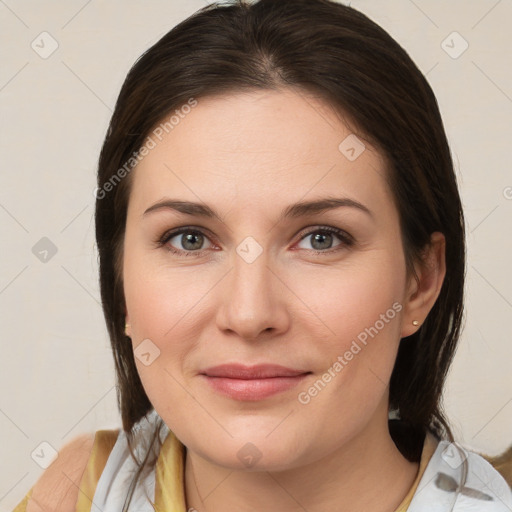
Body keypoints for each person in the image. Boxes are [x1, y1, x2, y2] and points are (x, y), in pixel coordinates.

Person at [13, 0, 512, 511]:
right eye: (189, 238)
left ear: (420, 282)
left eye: (322, 238)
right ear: (120, 283)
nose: (249, 315)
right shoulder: (74, 493)